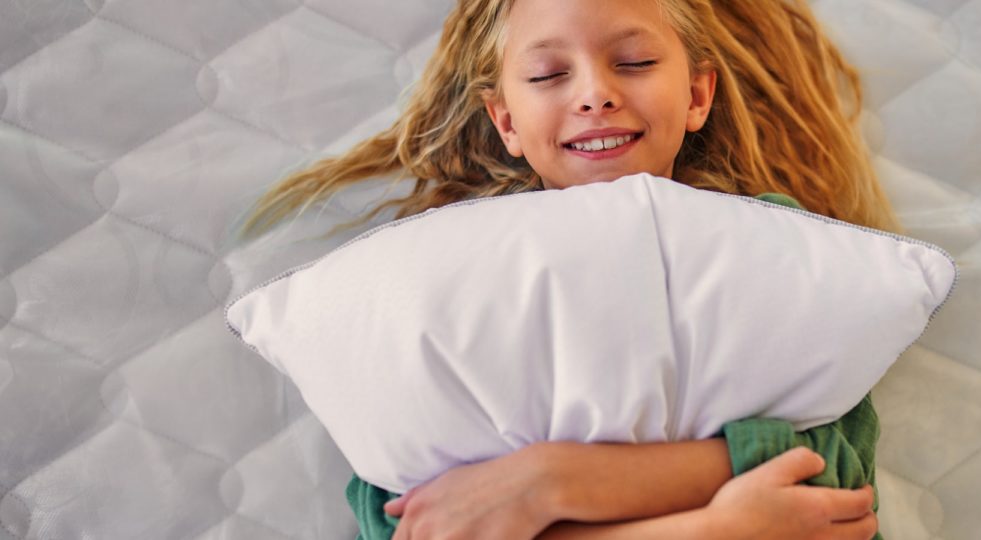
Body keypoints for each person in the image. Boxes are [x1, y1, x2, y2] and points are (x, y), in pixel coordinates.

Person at [237, 0, 899, 538]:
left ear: (697, 94)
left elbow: (832, 476)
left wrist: (547, 483)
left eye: (635, 62)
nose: (595, 93)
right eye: (550, 76)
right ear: (506, 122)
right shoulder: (443, 271)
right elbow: (413, 519)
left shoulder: (772, 237)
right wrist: (716, 522)